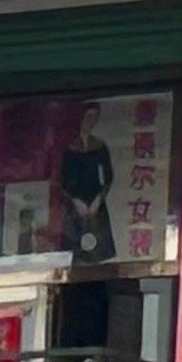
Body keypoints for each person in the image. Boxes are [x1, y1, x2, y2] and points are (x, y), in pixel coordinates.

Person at [60, 102, 116, 264]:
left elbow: (108, 177)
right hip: (75, 204)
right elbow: (62, 180)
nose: (90, 121)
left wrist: (99, 199)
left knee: (99, 252)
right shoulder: (69, 147)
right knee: (75, 254)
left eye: (94, 118)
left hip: (95, 202)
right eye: (88, 117)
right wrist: (75, 201)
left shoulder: (99, 145)